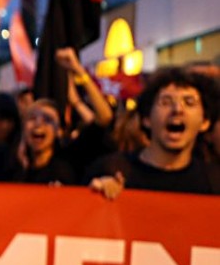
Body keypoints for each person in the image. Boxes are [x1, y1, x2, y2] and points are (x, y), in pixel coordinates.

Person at [87, 67, 219, 198]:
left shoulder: (214, 183)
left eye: (189, 103)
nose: (177, 109)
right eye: (165, 102)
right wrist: (99, 195)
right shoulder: (111, 169)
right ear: (146, 119)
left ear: (205, 122)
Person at [13, 99, 76, 185]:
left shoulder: (63, 172)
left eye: (47, 119)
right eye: (32, 118)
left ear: (59, 131)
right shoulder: (11, 167)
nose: (38, 124)